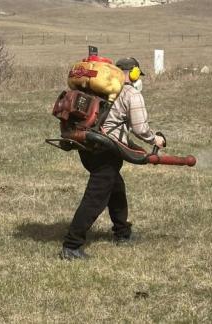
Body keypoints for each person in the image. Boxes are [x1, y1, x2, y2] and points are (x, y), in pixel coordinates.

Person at [60, 57, 165, 260]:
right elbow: (140, 129)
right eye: (137, 75)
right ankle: (71, 245)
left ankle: (122, 233)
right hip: (107, 150)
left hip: (87, 145)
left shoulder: (97, 89)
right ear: (133, 73)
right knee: (95, 198)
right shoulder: (130, 93)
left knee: (116, 188)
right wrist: (156, 139)